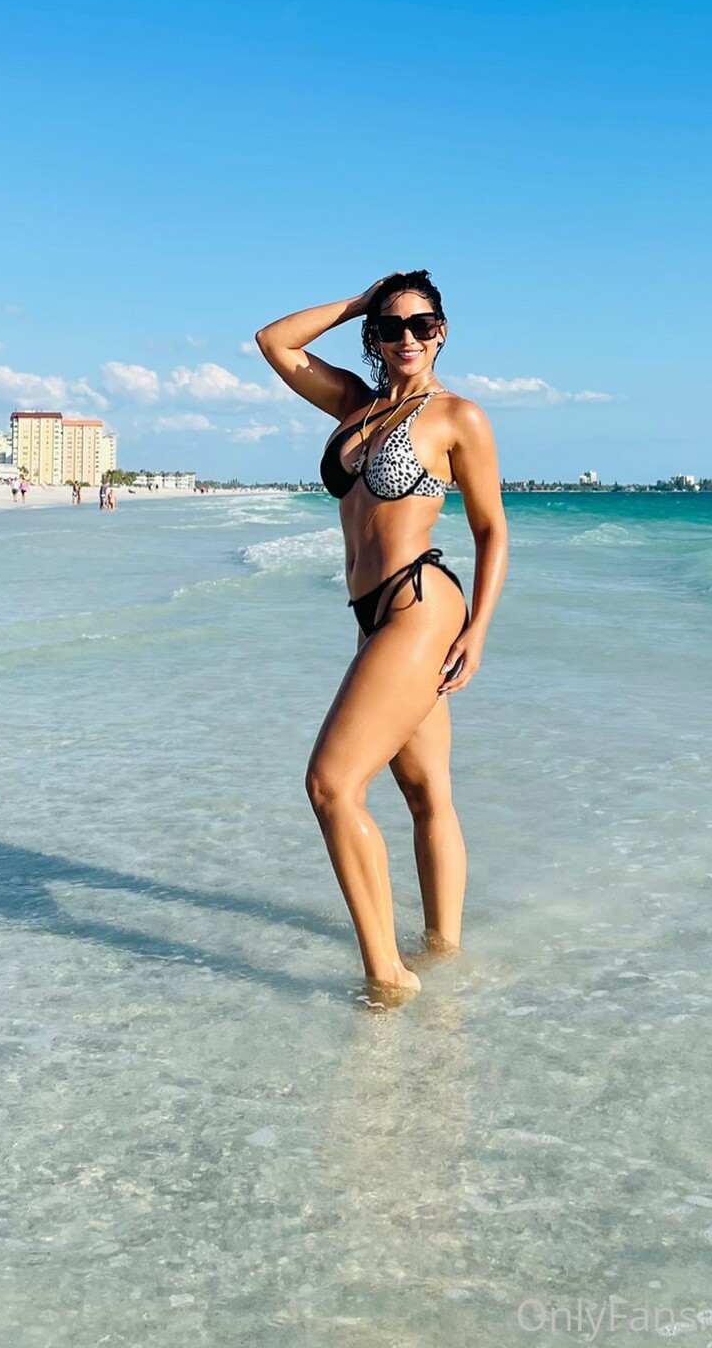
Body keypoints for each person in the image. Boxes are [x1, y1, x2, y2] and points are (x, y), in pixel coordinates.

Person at [256, 270, 507, 998]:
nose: (408, 338)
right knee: (426, 791)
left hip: (420, 607)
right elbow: (274, 342)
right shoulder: (357, 406)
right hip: (373, 619)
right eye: (391, 327)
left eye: (422, 325)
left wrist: (479, 629)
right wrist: (361, 302)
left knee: (331, 784)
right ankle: (445, 955)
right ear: (375, 335)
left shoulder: (458, 416)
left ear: (442, 331)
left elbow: (491, 531)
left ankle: (387, 976)